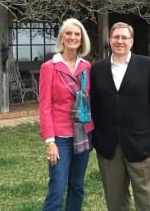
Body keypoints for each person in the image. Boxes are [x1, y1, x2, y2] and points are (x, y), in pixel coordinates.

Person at [91, 22, 150, 211]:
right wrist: (98, 139)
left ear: (131, 41)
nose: (120, 41)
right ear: (109, 40)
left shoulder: (148, 66)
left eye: (124, 37)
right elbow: (95, 106)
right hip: (109, 147)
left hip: (144, 144)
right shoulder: (98, 70)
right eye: (116, 37)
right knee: (115, 202)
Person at [39, 18, 94, 211]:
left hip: (84, 134)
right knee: (57, 187)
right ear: (62, 38)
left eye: (77, 34)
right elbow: (44, 106)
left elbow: (91, 99)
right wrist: (50, 141)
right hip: (60, 137)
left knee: (77, 186)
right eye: (68, 33)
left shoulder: (86, 66)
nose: (72, 37)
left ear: (82, 39)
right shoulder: (50, 67)